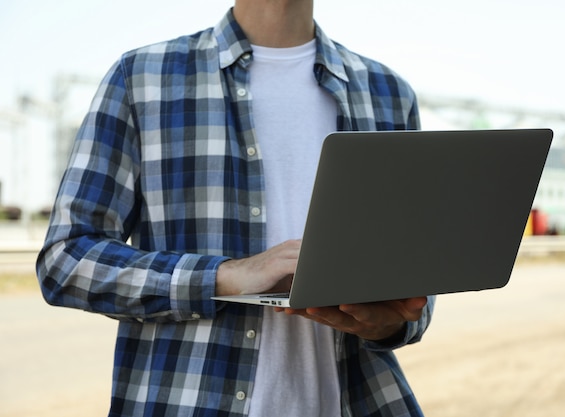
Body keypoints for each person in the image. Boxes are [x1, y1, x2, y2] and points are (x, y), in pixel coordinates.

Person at [36, 1, 436, 416]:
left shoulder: (387, 92)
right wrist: (225, 276)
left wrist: (390, 322)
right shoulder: (142, 78)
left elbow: (413, 270)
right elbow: (65, 260)